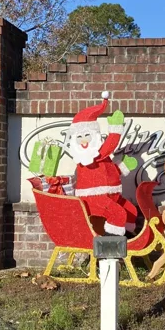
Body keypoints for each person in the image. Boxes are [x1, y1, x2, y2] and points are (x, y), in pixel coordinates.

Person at [64, 93, 138, 235]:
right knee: (118, 214)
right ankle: (110, 245)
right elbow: (109, 146)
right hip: (94, 198)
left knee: (131, 210)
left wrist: (121, 167)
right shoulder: (88, 156)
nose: (84, 141)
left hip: (111, 195)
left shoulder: (96, 156)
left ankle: (128, 236)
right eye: (80, 137)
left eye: (87, 136)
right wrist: (115, 130)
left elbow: (106, 171)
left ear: (95, 136)